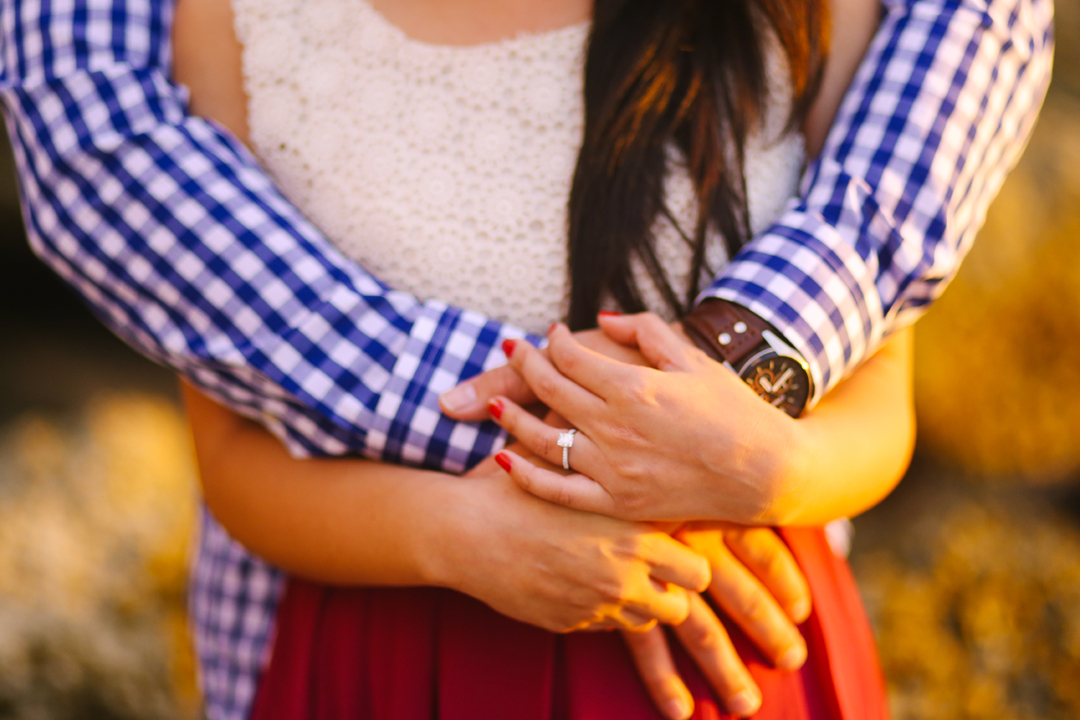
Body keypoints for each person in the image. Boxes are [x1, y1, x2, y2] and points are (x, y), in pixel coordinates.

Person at [0, 0, 1052, 717]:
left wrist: (770, 471)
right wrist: (457, 535)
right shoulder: (243, 26)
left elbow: (880, 401)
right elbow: (232, 454)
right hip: (390, 656)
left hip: (735, 648)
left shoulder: (790, 17)